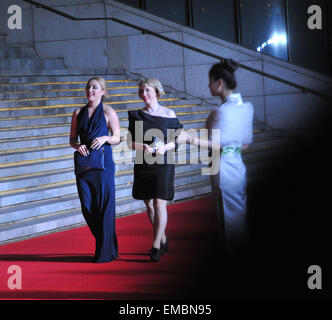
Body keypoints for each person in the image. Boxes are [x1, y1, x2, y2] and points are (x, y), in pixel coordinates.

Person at [188, 59, 254, 256]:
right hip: (237, 165)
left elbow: (216, 143)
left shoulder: (221, 111)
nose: (208, 85)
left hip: (222, 166)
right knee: (238, 213)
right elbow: (245, 144)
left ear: (219, 83)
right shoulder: (246, 107)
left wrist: (189, 139)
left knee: (226, 215)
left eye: (210, 81)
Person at [127, 78, 183, 261]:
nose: (144, 94)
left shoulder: (169, 113)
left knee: (160, 203)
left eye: (148, 90)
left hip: (164, 162)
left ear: (157, 92)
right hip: (143, 162)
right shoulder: (136, 115)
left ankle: (156, 244)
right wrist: (142, 146)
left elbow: (177, 140)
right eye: (142, 91)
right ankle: (163, 238)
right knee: (149, 204)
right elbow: (129, 143)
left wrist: (165, 148)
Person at [69, 77, 121, 263]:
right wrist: (77, 146)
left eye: (95, 87)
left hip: (104, 163)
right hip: (84, 163)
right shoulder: (78, 113)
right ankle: (108, 243)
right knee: (87, 206)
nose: (90, 90)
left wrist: (105, 138)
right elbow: (72, 139)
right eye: (88, 87)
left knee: (105, 206)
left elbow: (117, 137)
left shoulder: (108, 112)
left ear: (103, 92)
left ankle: (105, 250)